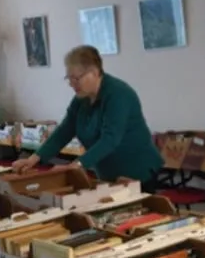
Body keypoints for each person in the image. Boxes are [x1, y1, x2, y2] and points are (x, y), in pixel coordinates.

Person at [11, 45, 163, 193]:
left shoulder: (118, 94)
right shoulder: (81, 98)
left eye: (76, 78)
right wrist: (34, 159)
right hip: (107, 173)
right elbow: (64, 131)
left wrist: (76, 165)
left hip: (137, 171)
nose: (71, 84)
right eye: (68, 78)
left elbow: (110, 139)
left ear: (95, 72)